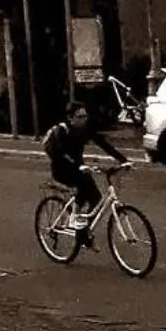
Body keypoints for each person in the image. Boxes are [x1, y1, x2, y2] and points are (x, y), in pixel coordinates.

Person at [43, 99, 126, 233]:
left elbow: (103, 144)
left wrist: (123, 160)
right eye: (80, 116)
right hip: (61, 168)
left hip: (78, 167)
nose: (84, 119)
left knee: (96, 199)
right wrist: (78, 166)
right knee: (82, 187)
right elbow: (61, 153)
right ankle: (73, 218)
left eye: (85, 116)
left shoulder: (85, 130)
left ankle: (85, 233)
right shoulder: (61, 131)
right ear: (70, 118)